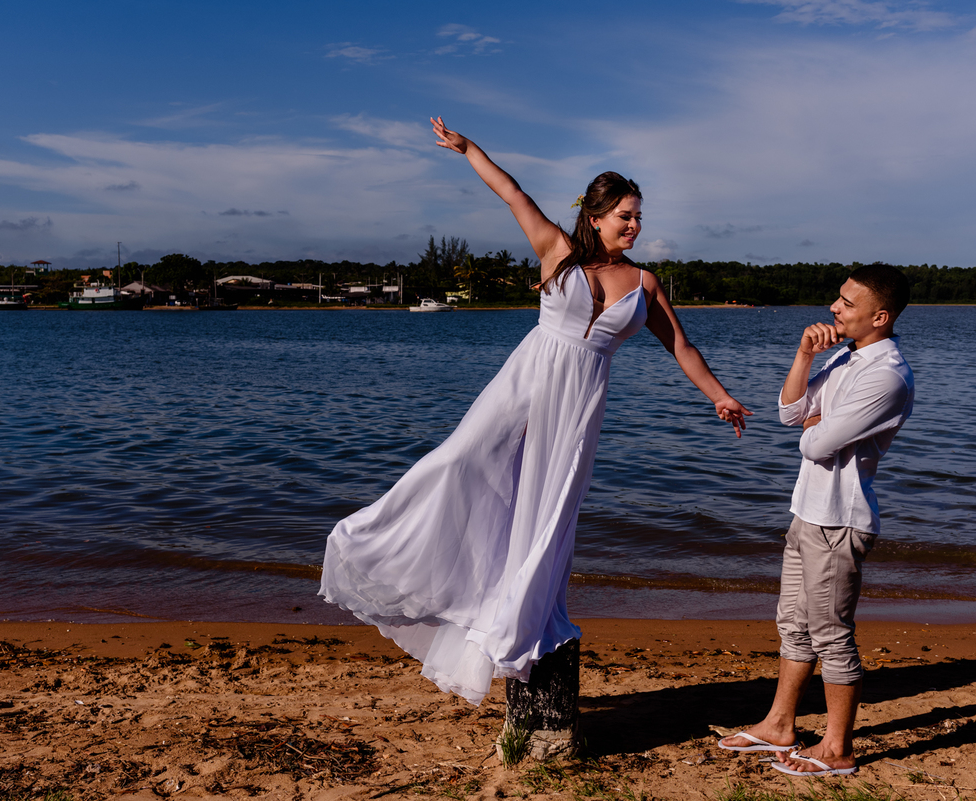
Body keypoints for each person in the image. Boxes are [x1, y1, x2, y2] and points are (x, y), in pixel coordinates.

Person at [319, 117, 751, 705]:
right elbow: (512, 193)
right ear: (595, 216)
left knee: (549, 507)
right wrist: (469, 149)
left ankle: (523, 613)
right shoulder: (557, 250)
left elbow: (681, 346)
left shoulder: (645, 283)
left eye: (640, 216)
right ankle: (379, 544)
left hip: (577, 402)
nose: (636, 225)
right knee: (460, 462)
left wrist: (719, 395)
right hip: (525, 382)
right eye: (626, 215)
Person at [718, 264, 914, 776]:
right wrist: (806, 355)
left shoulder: (886, 375)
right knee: (794, 626)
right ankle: (780, 724)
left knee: (831, 634)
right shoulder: (847, 358)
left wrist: (814, 421)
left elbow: (814, 442)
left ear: (880, 316)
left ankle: (837, 749)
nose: (835, 308)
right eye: (838, 299)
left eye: (848, 303)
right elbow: (789, 414)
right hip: (808, 511)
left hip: (839, 520)